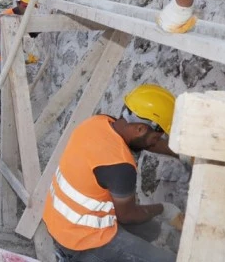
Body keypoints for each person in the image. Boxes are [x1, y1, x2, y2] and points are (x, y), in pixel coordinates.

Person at [43, 84, 183, 262]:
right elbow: (128, 216)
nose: (153, 144)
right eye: (156, 137)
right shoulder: (120, 166)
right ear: (140, 129)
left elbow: (147, 142)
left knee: (151, 229)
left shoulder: (97, 123)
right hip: (81, 241)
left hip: (57, 221)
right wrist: (165, 210)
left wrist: (182, 154)